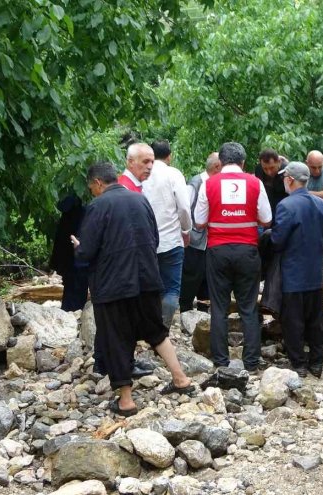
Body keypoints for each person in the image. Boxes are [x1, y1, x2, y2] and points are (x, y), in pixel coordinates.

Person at [72, 161, 194, 417]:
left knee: (116, 337)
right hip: (147, 279)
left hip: (113, 284)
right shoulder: (140, 200)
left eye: (91, 187)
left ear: (97, 183)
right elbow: (155, 238)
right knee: (156, 331)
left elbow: (87, 251)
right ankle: (181, 379)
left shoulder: (98, 206)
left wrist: (77, 246)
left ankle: (126, 401)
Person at [194, 142, 272, 371]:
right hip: (247, 250)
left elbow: (199, 221)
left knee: (219, 307)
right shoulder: (255, 182)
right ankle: (251, 362)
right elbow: (267, 219)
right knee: (248, 307)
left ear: (220, 163)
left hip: (218, 251)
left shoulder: (209, 184)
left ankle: (221, 361)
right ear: (243, 162)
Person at [271, 162, 323, 378]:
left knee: (293, 321)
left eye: (284, 177)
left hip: (293, 272)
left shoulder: (286, 205)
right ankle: (317, 362)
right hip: (314, 271)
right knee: (316, 320)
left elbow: (278, 241)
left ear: (290, 179)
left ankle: (299, 364)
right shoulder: (321, 204)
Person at [143, 140, 192, 328]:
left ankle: (148, 325)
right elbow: (184, 208)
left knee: (150, 287)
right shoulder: (174, 174)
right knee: (171, 289)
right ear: (169, 156)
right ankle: (163, 328)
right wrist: (186, 230)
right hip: (172, 240)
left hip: (147, 241)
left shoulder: (142, 175)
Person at [180, 152, 221, 312]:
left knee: (207, 277)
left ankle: (203, 312)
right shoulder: (196, 183)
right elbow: (185, 209)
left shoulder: (217, 183)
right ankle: (185, 310)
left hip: (211, 241)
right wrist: (188, 233)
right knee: (191, 276)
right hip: (195, 240)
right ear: (217, 166)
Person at [49, 194, 88, 312]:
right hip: (74, 255)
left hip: (73, 255)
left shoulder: (73, 211)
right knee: (75, 284)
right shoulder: (80, 207)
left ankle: (71, 311)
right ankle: (72, 312)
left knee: (75, 285)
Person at [253, 148, 289, 216]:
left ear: (279, 162)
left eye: (272, 168)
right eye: (265, 169)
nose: (269, 172)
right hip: (266, 210)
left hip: (284, 211)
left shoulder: (287, 172)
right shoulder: (258, 169)